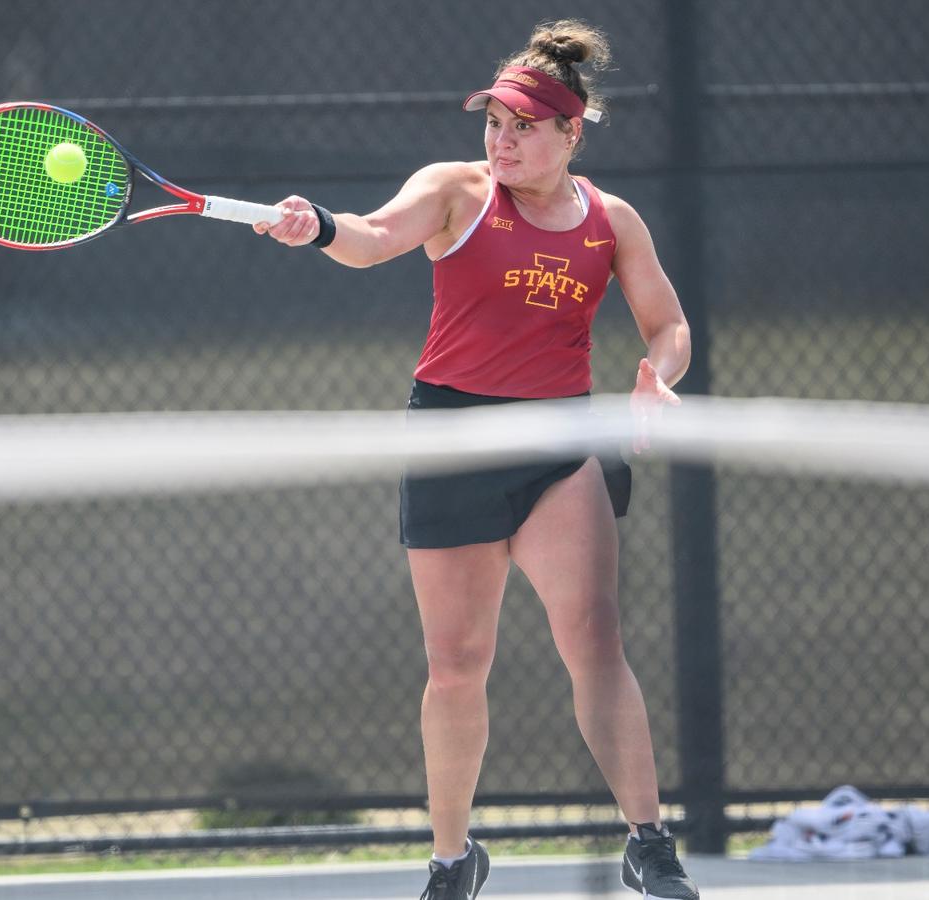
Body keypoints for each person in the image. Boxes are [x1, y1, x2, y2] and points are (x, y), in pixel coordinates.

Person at [255, 20, 698, 900]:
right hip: (453, 436)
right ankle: (454, 859)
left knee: (596, 643)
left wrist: (659, 375)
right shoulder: (456, 191)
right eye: (493, 121)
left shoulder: (611, 221)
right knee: (457, 664)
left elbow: (669, 323)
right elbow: (372, 237)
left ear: (571, 132)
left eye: (523, 126)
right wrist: (317, 229)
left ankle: (649, 845)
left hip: (558, 441)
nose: (501, 139)